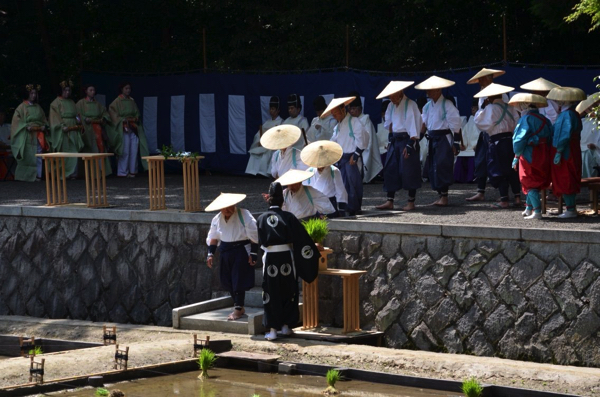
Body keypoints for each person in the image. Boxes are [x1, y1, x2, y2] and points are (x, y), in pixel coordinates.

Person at [258, 181, 320, 341]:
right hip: (286, 257)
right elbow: (302, 239)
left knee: (271, 292)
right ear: (282, 201)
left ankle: (272, 330)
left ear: (268, 199)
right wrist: (313, 250)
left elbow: (258, 241)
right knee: (288, 290)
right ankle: (286, 326)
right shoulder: (289, 217)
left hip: (271, 258)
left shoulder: (262, 218)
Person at [206, 193, 259, 321]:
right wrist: (210, 253)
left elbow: (254, 235)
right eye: (224, 207)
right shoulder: (217, 219)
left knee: (238, 280)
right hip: (225, 250)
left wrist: (253, 253)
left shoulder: (244, 214)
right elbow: (213, 237)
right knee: (227, 280)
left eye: (230, 206)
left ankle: (238, 307)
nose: (227, 210)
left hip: (241, 250)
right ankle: (239, 306)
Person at [374, 81, 423, 211]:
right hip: (395, 140)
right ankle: (390, 201)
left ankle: (411, 202)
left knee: (409, 170)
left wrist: (410, 143)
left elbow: (414, 124)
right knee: (390, 168)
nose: (392, 98)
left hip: (407, 139)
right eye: (390, 96)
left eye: (393, 95)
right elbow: (389, 124)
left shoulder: (411, 104)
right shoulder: (391, 105)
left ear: (400, 92)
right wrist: (390, 139)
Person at [415, 76, 462, 206]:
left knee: (443, 165)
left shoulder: (447, 104)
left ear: (438, 90)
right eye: (428, 91)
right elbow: (424, 124)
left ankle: (445, 197)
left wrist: (456, 142)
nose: (428, 93)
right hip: (432, 138)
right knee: (434, 166)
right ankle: (440, 195)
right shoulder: (427, 106)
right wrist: (417, 139)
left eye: (431, 90)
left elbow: (456, 123)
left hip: (444, 138)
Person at [473, 83, 521, 208]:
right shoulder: (510, 108)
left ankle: (504, 200)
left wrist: (482, 109)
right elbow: (517, 123)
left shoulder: (490, 108)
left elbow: (481, 123)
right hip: (510, 140)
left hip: (497, 142)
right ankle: (517, 197)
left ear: (489, 97)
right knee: (512, 170)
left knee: (499, 170)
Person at [323, 96, 369, 215]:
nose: (334, 116)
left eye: (335, 113)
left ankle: (355, 207)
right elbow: (334, 142)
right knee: (342, 183)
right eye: (332, 114)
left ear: (343, 110)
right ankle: (346, 207)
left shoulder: (354, 121)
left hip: (352, 158)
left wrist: (356, 154)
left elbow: (363, 138)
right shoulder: (337, 127)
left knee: (353, 183)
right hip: (342, 158)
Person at [509, 93, 553, 220]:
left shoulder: (525, 119)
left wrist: (516, 155)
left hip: (529, 153)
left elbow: (518, 140)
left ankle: (537, 211)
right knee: (537, 180)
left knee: (529, 181)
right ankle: (528, 207)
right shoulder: (545, 119)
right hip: (544, 153)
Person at [466, 68, 507, 201]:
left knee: (499, 163)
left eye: (483, 79)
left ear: (490, 78)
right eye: (479, 80)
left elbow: (502, 112)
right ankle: (480, 191)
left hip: (496, 132)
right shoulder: (482, 94)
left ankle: (505, 195)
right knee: (480, 161)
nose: (480, 82)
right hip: (484, 132)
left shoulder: (501, 93)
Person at [547, 87, 587, 218]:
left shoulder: (566, 115)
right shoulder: (573, 113)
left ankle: (570, 209)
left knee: (566, 177)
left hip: (565, 150)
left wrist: (559, 151)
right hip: (571, 149)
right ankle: (570, 208)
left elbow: (564, 135)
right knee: (569, 175)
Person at [108, 82, 149, 177]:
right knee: (125, 150)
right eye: (126, 88)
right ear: (122, 89)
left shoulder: (132, 101)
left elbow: (137, 113)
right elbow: (113, 114)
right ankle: (122, 172)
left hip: (133, 127)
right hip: (123, 127)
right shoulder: (116, 101)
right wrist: (123, 120)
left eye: (129, 88)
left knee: (134, 149)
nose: (128, 90)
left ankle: (132, 171)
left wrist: (134, 119)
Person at [11, 84, 49, 182]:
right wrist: (25, 126)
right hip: (27, 134)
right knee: (28, 155)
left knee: (39, 154)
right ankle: (26, 175)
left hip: (38, 133)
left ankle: (38, 175)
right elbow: (17, 120)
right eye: (31, 93)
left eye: (35, 93)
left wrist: (44, 125)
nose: (33, 95)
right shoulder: (21, 107)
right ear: (27, 94)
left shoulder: (38, 107)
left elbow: (44, 119)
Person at [301, 140, 348, 217]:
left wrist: (342, 209)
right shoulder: (309, 172)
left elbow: (340, 191)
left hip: (330, 203)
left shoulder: (334, 171)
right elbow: (305, 190)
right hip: (314, 205)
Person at [76, 84, 115, 175]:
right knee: (89, 149)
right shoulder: (80, 103)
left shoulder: (98, 104)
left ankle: (100, 171)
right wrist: (84, 119)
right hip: (87, 129)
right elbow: (78, 115)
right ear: (86, 91)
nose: (92, 92)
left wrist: (103, 119)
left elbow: (105, 114)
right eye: (90, 90)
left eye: (93, 90)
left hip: (97, 128)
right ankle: (89, 172)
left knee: (99, 148)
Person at [49, 81, 84, 179]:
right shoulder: (55, 103)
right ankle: (63, 174)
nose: (67, 92)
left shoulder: (72, 102)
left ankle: (74, 173)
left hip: (73, 129)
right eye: (65, 90)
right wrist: (61, 126)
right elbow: (54, 117)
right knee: (64, 151)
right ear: (61, 91)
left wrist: (79, 122)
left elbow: (77, 115)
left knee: (74, 150)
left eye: (69, 90)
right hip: (63, 131)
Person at [348, 91, 383, 183]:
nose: (351, 111)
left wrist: (358, 152)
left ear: (360, 109)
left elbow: (369, 141)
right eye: (350, 109)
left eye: (354, 108)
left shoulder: (365, 119)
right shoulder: (349, 120)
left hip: (362, 151)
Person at [245, 96, 283, 177]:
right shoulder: (267, 122)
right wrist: (259, 141)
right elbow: (259, 134)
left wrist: (268, 142)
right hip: (264, 143)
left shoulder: (281, 122)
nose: (271, 111)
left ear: (278, 111)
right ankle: (252, 171)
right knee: (255, 151)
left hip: (272, 145)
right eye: (271, 109)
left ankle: (263, 172)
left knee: (267, 152)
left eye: (273, 109)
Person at [454, 100, 480, 183]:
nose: (473, 109)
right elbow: (465, 133)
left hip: (476, 146)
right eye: (472, 107)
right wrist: (462, 144)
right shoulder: (471, 119)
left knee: (472, 157)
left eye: (475, 108)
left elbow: (482, 134)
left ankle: (470, 178)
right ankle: (458, 178)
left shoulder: (481, 119)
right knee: (461, 155)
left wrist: (478, 144)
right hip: (468, 147)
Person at [576, 95, 600, 178]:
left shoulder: (598, 123)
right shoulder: (582, 121)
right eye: (590, 109)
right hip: (580, 151)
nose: (592, 111)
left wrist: (595, 147)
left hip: (593, 152)